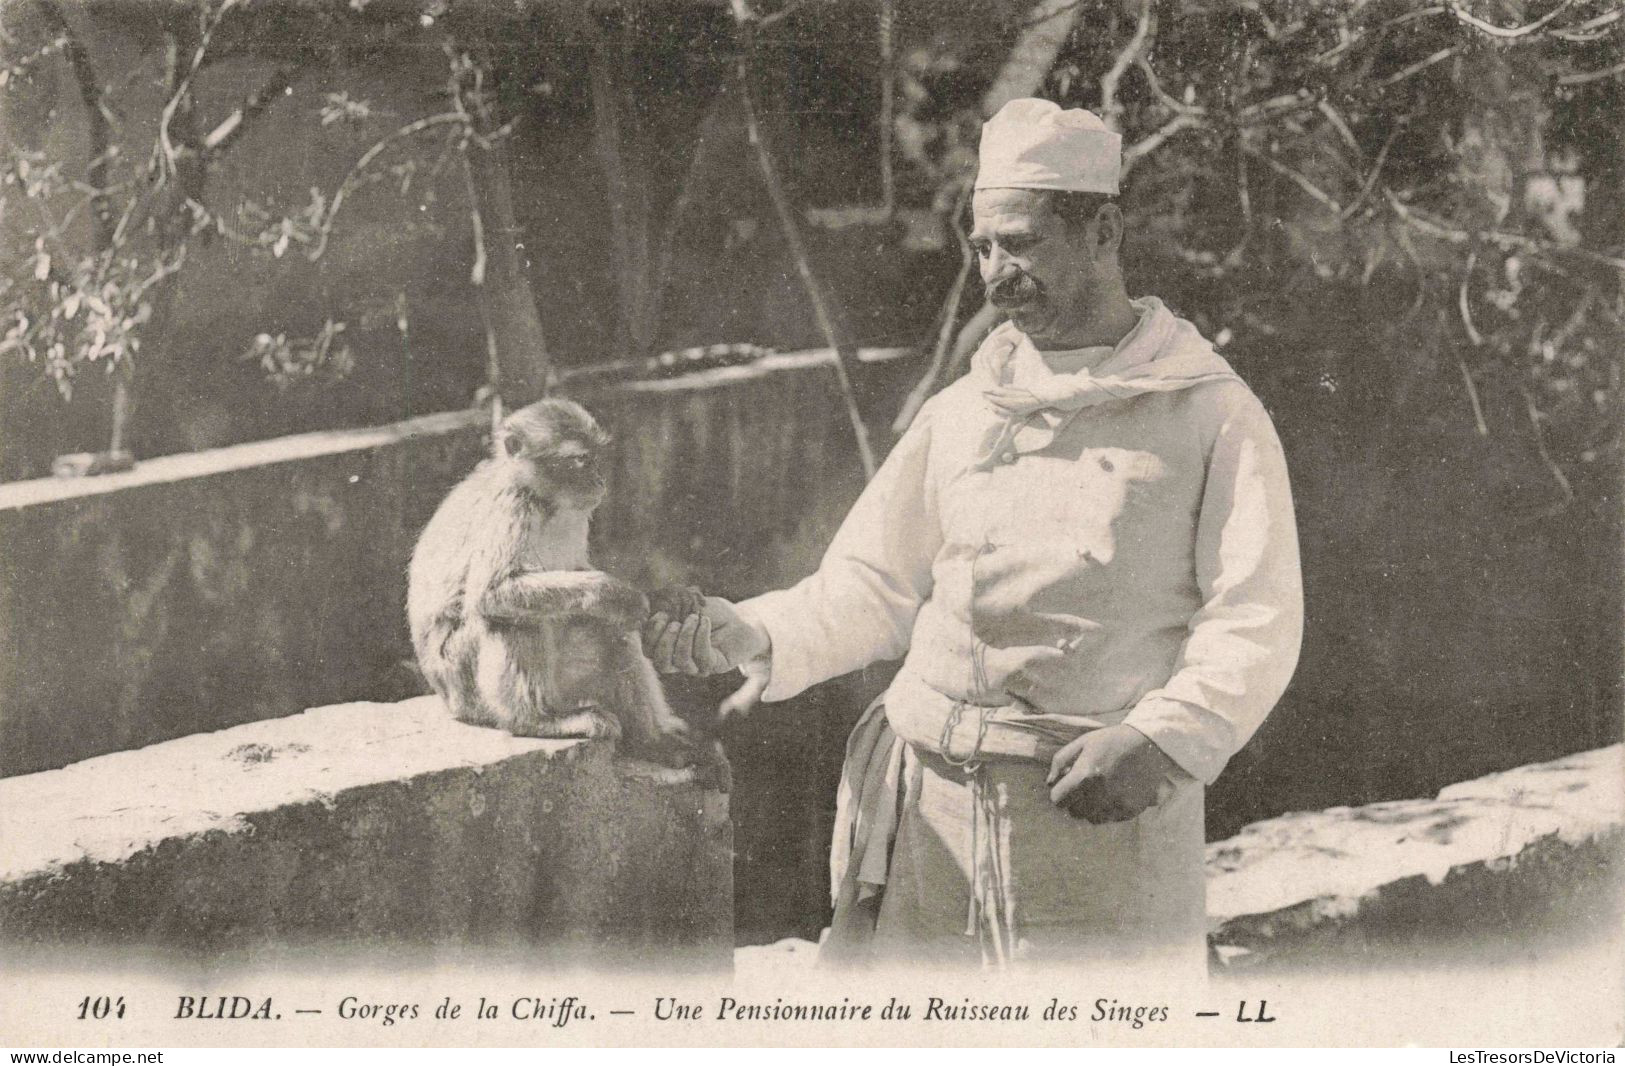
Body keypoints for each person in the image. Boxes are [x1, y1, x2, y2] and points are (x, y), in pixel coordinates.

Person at [644, 98, 1303, 971]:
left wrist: (1163, 739)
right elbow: (871, 585)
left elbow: (1255, 614)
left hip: (1090, 830)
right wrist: (755, 630)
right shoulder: (963, 410)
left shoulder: (1210, 413)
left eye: (1021, 243)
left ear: (1103, 229)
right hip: (926, 827)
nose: (996, 271)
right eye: (983, 247)